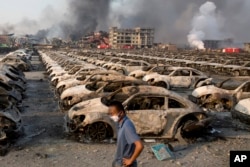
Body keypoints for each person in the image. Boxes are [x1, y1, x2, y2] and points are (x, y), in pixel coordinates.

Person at [109, 101, 144, 167]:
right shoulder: (120, 124)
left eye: (112, 114)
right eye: (109, 114)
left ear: (121, 113)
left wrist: (130, 160)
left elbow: (140, 146)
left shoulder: (127, 126)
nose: (111, 116)